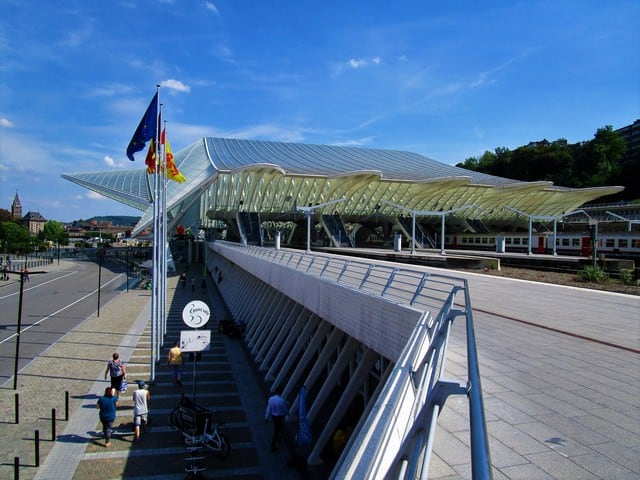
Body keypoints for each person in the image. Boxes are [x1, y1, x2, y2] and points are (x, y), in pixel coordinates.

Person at [265, 386, 289, 451]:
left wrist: (266, 417)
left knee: (276, 427)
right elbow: (284, 410)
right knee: (277, 429)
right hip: (279, 417)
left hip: (273, 416)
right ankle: (272, 445)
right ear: (280, 392)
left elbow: (268, 409)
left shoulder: (271, 399)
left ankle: (278, 438)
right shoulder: (282, 400)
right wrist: (287, 413)